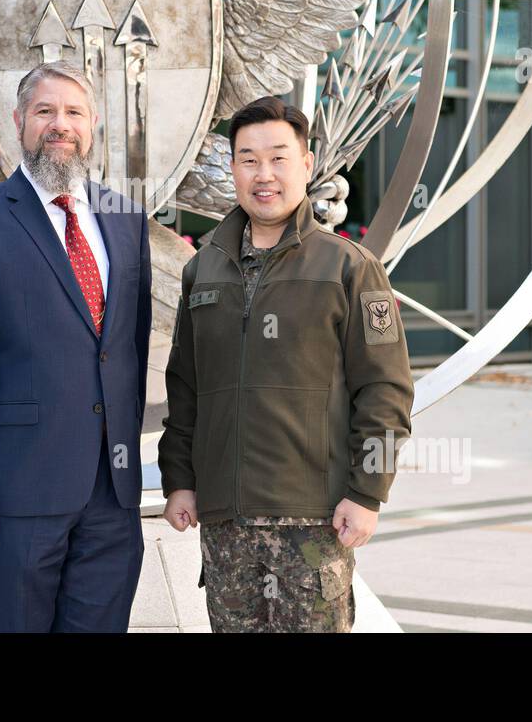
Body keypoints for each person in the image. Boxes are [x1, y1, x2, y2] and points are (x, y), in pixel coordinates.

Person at [157, 95, 414, 632]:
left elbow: (387, 392)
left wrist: (367, 493)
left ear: (305, 163)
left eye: (278, 157)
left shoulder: (350, 267)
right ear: (232, 169)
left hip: (315, 522)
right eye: (248, 159)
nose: (263, 174)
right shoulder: (202, 270)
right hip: (226, 523)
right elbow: (185, 387)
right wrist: (179, 478)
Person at [0, 60, 152, 632]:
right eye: (45, 111)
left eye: (74, 112)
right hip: (16, 494)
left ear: (93, 125)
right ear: (18, 121)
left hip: (113, 494)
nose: (60, 124)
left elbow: (129, 346)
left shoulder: (127, 220)